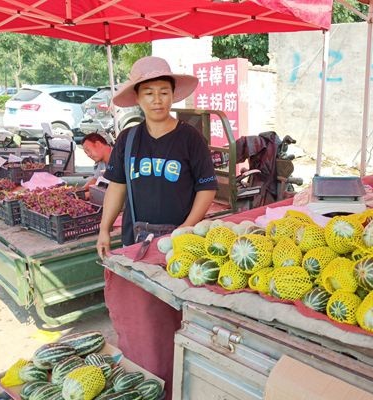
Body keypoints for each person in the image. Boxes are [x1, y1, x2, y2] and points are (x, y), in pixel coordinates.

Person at [97, 56, 217, 398]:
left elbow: (207, 188)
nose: (157, 99)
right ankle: (147, 379)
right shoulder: (129, 140)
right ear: (137, 98)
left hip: (180, 244)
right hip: (135, 242)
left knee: (176, 316)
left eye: (163, 92)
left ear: (173, 95)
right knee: (142, 317)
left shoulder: (189, 138)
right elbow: (117, 186)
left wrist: (186, 228)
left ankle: (180, 379)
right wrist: (105, 228)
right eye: (148, 93)